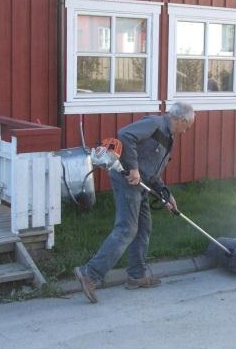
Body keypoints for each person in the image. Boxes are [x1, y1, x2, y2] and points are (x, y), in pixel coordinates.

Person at [74, 102, 195, 303]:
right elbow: (125, 135)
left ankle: (136, 276)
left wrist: (166, 194)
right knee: (127, 229)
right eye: (188, 126)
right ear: (181, 120)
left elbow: (152, 171)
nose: (187, 130)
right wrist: (133, 168)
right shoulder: (155, 124)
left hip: (142, 184)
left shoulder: (168, 136)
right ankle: (90, 274)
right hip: (127, 180)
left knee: (143, 228)